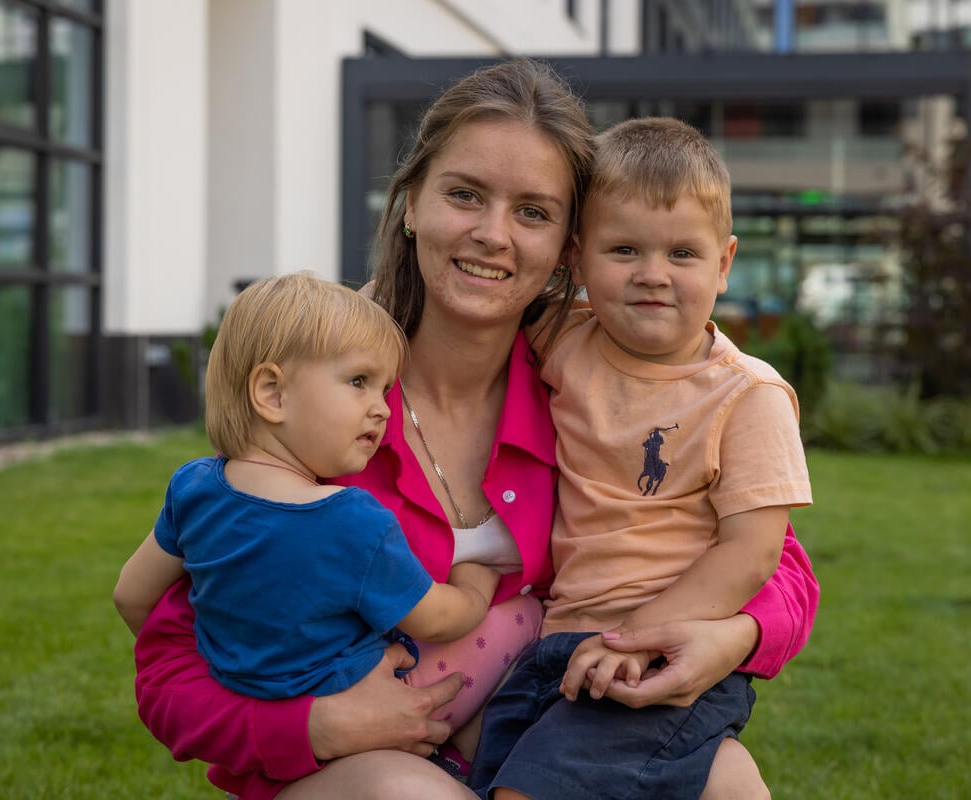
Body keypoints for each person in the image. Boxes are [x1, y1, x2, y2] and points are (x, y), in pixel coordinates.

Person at [127, 58, 819, 800]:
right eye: (465, 195)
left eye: (533, 211)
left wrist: (733, 636)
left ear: (568, 247)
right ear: (412, 204)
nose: (493, 235)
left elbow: (776, 562)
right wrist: (316, 727)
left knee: (728, 781)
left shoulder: (593, 376)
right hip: (351, 770)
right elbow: (170, 656)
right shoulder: (322, 391)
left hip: (541, 729)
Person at [467, 118, 812, 800]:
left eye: (682, 253)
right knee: (489, 774)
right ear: (576, 259)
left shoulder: (748, 396)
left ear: (724, 263)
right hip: (557, 644)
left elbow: (752, 552)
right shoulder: (563, 336)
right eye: (624, 249)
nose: (652, 275)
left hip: (665, 649)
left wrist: (633, 637)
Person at [112, 273, 502, 713]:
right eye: (359, 381)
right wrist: (476, 587)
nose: (383, 408)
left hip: (245, 713)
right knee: (518, 635)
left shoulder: (194, 488)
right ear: (272, 393)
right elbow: (436, 619)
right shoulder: (351, 520)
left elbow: (130, 595)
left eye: (386, 389)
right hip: (361, 718)